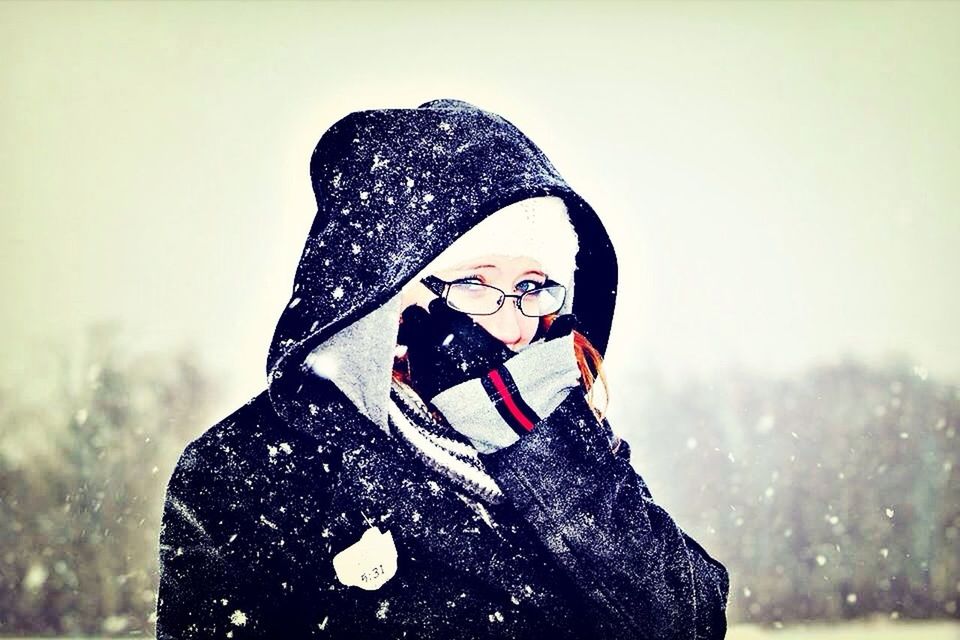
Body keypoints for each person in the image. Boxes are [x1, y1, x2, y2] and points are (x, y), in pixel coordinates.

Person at [156, 99, 730, 639]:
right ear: (392, 298)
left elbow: (686, 619)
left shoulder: (564, 430)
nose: (512, 326)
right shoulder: (247, 468)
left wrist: (539, 447)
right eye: (476, 283)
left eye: (531, 286)